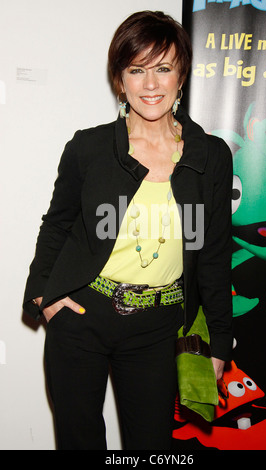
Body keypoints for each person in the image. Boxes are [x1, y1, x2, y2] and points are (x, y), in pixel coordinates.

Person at [23, 11, 233, 450]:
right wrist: (45, 296)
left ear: (181, 75)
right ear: (120, 80)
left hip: (159, 327)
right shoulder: (89, 148)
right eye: (136, 70)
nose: (150, 84)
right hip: (84, 317)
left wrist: (218, 342)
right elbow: (57, 224)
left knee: (150, 445)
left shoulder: (210, 156)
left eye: (163, 68)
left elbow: (213, 253)